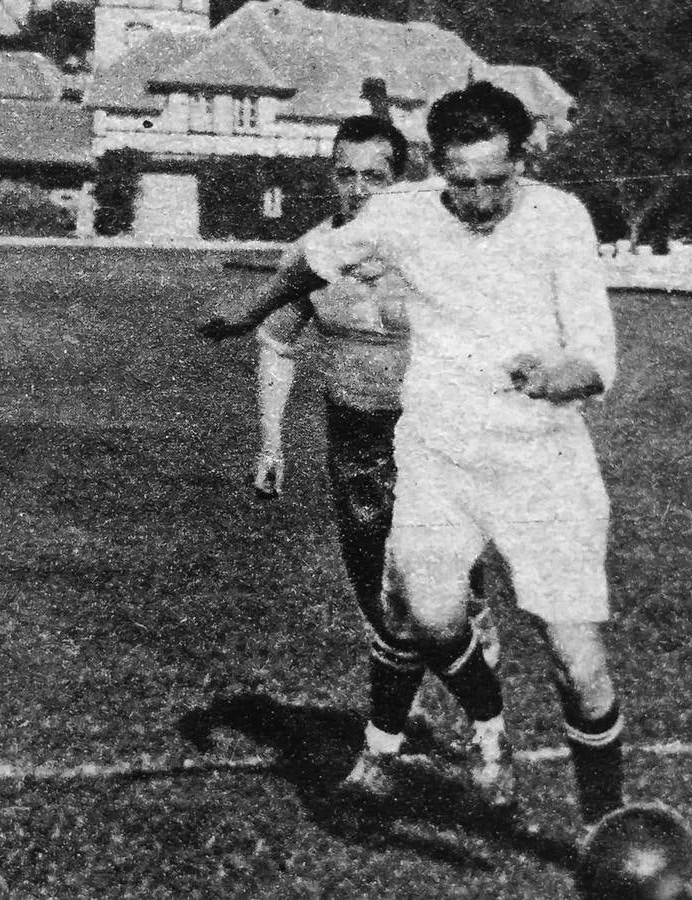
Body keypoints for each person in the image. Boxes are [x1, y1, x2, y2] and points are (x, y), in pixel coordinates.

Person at [294, 81, 625, 825]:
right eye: (459, 181)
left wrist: (554, 376)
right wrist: (248, 315)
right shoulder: (404, 211)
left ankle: (604, 826)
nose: (475, 198)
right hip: (439, 457)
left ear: (523, 160)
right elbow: (316, 255)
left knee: (579, 668)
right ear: (436, 167)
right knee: (421, 608)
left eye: (492, 180)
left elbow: (596, 354)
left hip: (543, 463)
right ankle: (488, 721)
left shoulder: (558, 219)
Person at [207, 116, 498, 783]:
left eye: (375, 175)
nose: (358, 189)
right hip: (355, 439)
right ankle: (412, 722)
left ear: (401, 181)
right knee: (377, 594)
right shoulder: (312, 251)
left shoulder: (434, 247)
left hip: (431, 436)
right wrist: (270, 443)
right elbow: (277, 344)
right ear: (329, 175)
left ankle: (472, 740)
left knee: (448, 594)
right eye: (346, 173)